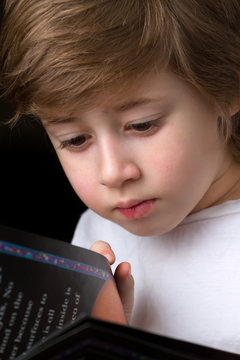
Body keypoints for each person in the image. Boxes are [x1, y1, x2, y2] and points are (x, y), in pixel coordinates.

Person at [1, 0, 240, 354]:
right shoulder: (96, 241)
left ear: (228, 86)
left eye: (142, 125)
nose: (112, 173)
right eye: (76, 140)